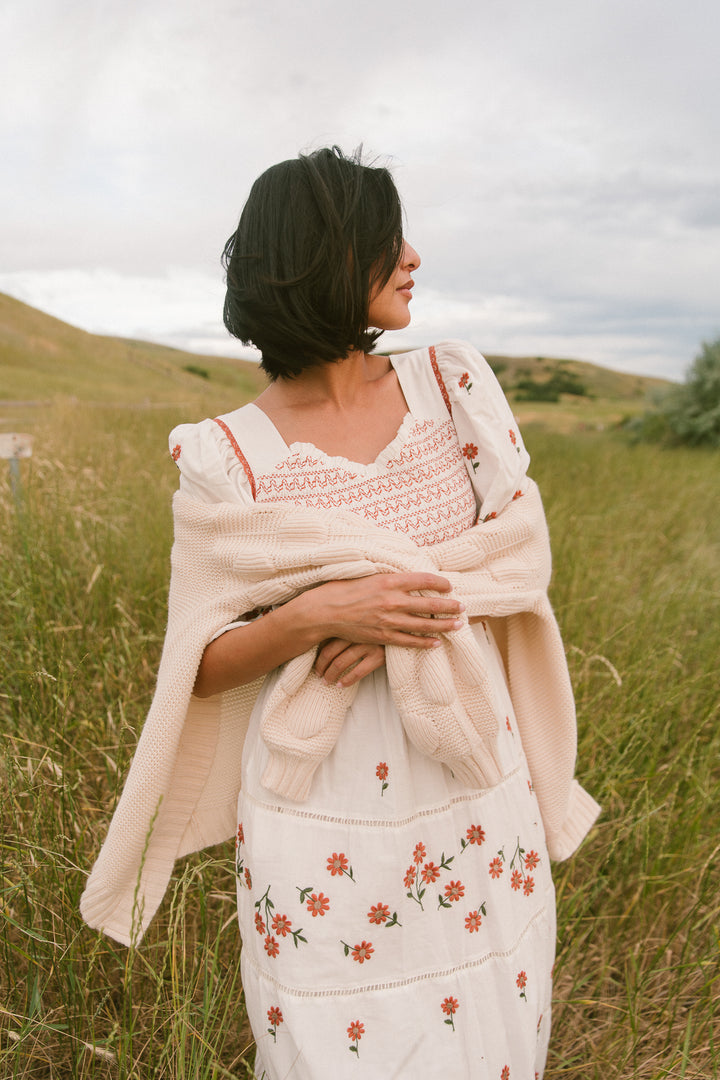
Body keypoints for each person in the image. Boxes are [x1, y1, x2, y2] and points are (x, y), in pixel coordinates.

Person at [81, 147, 600, 1078]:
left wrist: (406, 598)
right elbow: (198, 663)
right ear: (323, 258)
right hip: (323, 801)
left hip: (474, 781)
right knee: (337, 1039)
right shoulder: (223, 456)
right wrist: (322, 612)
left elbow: (519, 555)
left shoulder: (454, 386)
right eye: (383, 238)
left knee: (495, 1026)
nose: (411, 255)